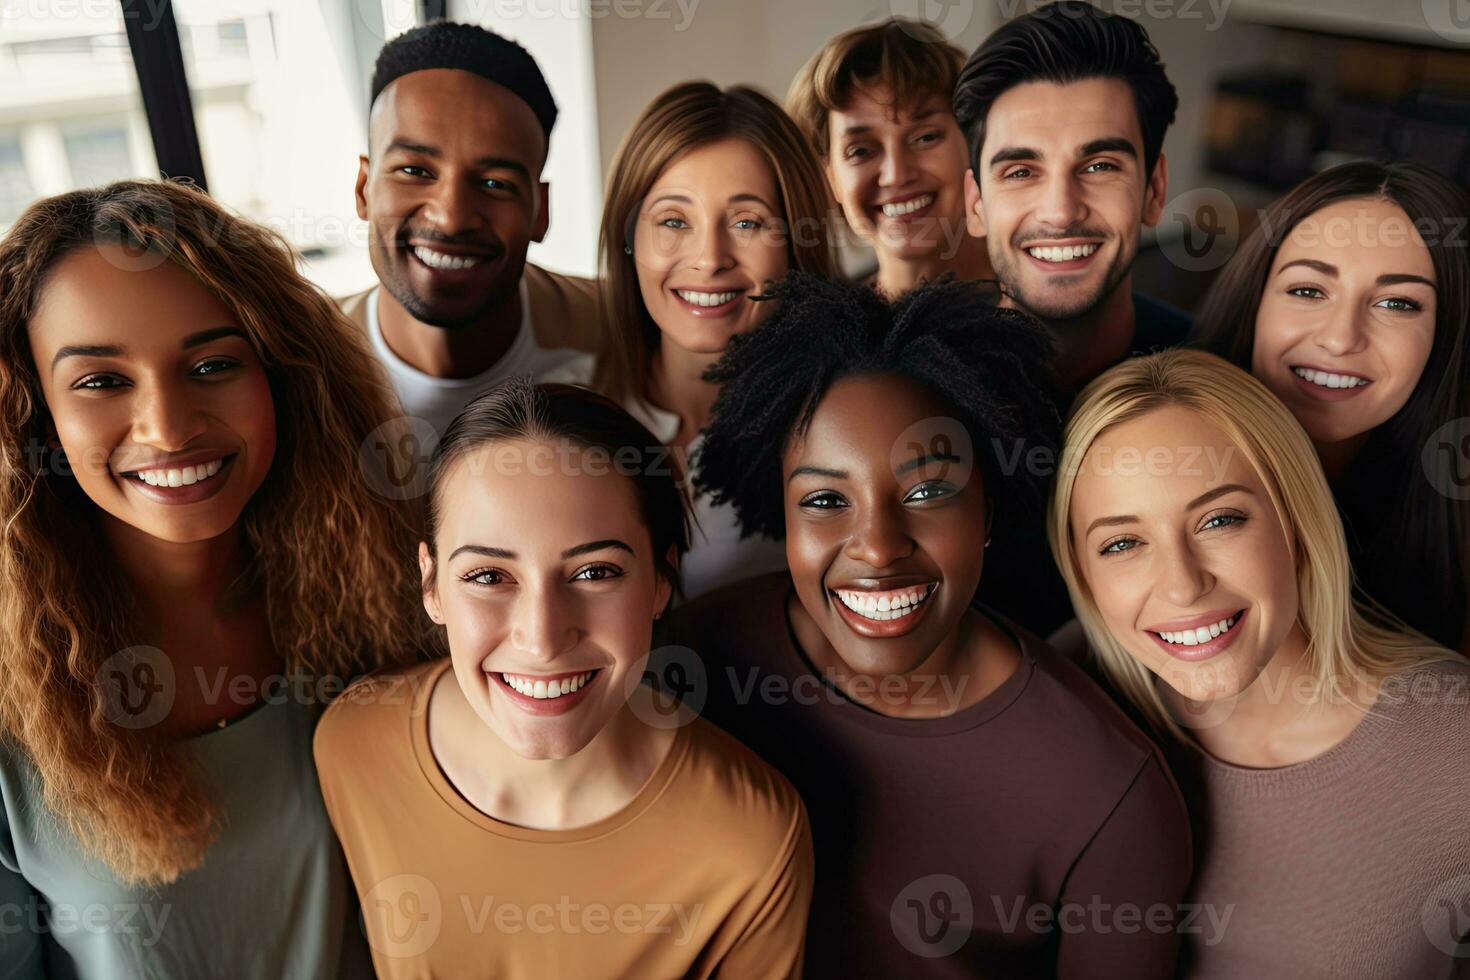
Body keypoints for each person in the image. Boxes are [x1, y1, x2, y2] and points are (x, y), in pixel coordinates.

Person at [665, 273, 1192, 978]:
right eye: (825, 499)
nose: (878, 547)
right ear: (780, 516)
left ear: (990, 508)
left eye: (928, 491)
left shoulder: (1111, 795)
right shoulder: (692, 660)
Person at [0, 180, 422, 977]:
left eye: (212, 363)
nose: (167, 426)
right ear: (33, 413)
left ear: (283, 379)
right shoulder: (9, 704)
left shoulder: (392, 590)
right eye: (100, 381)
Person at [314, 379, 815, 978]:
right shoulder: (353, 744)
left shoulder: (752, 837)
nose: (543, 637)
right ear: (431, 584)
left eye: (595, 571)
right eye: (488, 577)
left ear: (660, 581)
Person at [1049, 348, 1470, 977]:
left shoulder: (1451, 740)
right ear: (1083, 572)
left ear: (1296, 521)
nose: (1183, 585)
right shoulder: (1056, 706)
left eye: (1220, 519)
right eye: (1124, 543)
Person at [553, 81, 838, 600]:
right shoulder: (551, 411)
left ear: (797, 243)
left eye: (747, 222)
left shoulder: (842, 424)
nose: (710, 258)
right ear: (628, 237)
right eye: (674, 221)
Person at [1190, 161, 1469, 653]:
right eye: (1307, 290)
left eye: (1397, 304)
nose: (1340, 339)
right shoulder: (1149, 449)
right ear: (1254, 299)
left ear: (1446, 335)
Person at [343, 21, 605, 437]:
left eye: (495, 184)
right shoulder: (294, 362)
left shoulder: (621, 335)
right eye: (414, 170)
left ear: (541, 211)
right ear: (364, 190)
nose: (451, 217)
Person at [954, 0, 1188, 393]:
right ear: (976, 204)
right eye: (1021, 172)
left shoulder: (1225, 375)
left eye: (1100, 166)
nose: (1060, 212)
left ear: (1154, 189)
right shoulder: (913, 390)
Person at [786, 18, 992, 298]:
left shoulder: (1043, 306)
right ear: (829, 177)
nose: (896, 174)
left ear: (972, 144)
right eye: (860, 151)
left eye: (925, 137)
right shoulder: (821, 331)